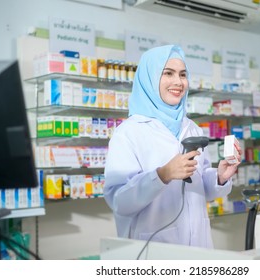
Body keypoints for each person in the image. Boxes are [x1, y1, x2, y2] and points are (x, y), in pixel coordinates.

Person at [103, 45, 241, 248]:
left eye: (183, 75)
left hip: (198, 247)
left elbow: (201, 188)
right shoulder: (129, 133)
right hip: (153, 249)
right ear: (149, 78)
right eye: (168, 73)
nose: (178, 82)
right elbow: (119, 202)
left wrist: (220, 177)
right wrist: (162, 175)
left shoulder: (192, 128)